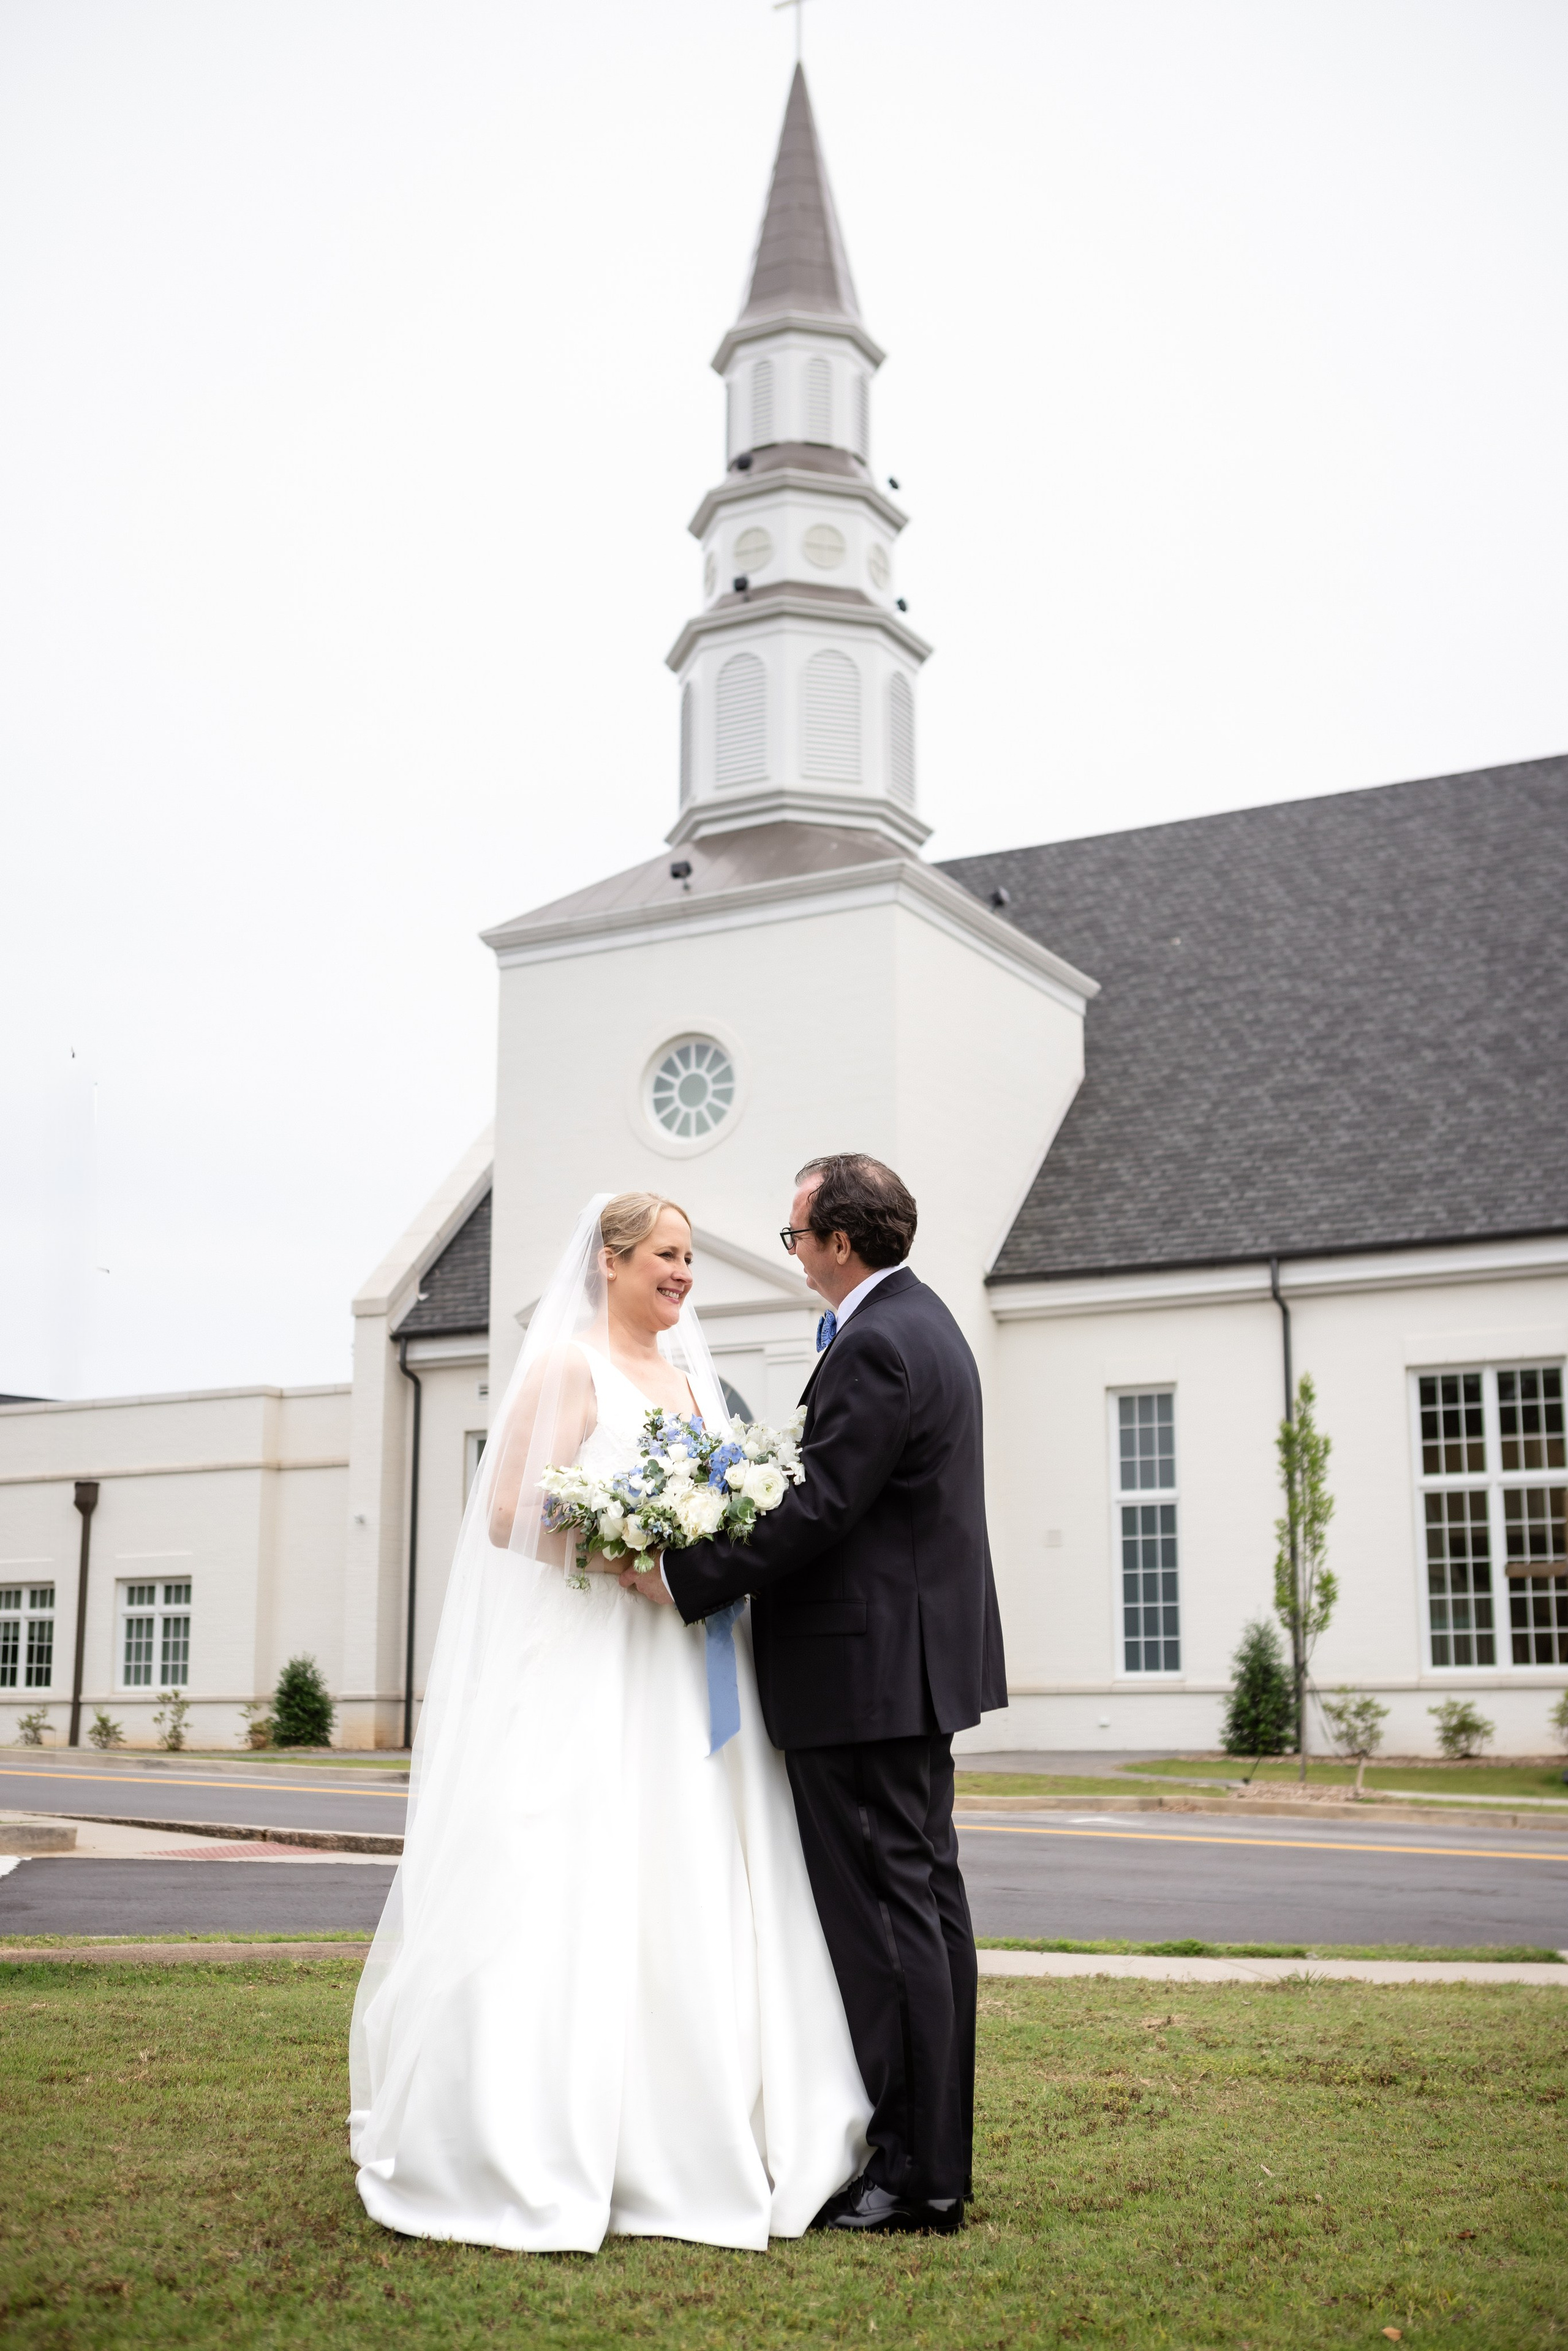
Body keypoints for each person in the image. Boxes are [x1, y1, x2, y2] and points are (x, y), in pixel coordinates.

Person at [349, 1191, 870, 2254]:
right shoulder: (570, 1366)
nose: (684, 1275)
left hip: (690, 1664)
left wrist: (702, 1555)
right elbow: (505, 1513)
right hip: (597, 1655)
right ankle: (547, 2128)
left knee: (695, 1862)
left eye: (690, 1259)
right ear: (613, 1260)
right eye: (667, 1257)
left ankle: (706, 2115)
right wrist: (624, 1558)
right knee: (573, 1862)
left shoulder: (691, 1380)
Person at [627, 1153, 1006, 2235]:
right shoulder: (924, 1323)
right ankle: (929, 2158)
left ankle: (911, 2175)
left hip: (865, 1678)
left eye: (796, 1237)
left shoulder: (878, 1342)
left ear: (841, 1241)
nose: (793, 1253)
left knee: (890, 1927)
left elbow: (822, 1508)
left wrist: (683, 1573)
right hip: (903, 1670)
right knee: (926, 1913)